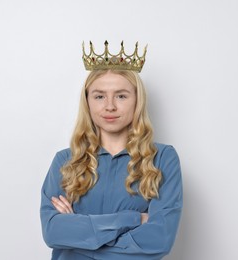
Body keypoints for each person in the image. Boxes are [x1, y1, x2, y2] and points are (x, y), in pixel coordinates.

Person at [40, 41, 183, 260]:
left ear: (137, 100)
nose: (109, 106)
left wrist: (77, 241)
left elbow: (159, 240)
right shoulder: (65, 161)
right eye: (99, 96)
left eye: (121, 96)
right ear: (87, 102)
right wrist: (133, 219)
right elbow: (53, 232)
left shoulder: (163, 159)